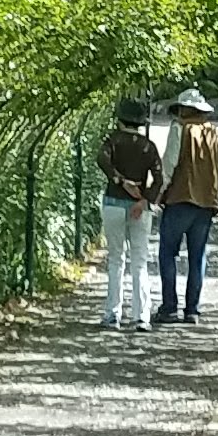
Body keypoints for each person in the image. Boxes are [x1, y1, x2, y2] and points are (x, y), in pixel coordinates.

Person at [153, 88, 218, 323]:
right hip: (206, 204)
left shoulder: (179, 130)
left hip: (179, 200)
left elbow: (170, 164)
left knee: (167, 253)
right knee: (197, 257)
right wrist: (216, 194)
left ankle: (169, 307)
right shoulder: (215, 134)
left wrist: (158, 193)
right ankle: (192, 310)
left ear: (184, 110)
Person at [96, 97, 163, 327]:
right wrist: (145, 201)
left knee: (115, 259)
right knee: (139, 261)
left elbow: (101, 158)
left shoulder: (113, 140)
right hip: (139, 206)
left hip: (114, 202)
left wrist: (119, 180)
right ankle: (141, 316)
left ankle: (112, 314)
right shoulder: (148, 146)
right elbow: (159, 179)